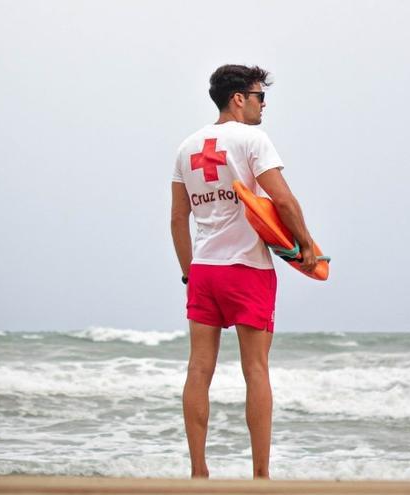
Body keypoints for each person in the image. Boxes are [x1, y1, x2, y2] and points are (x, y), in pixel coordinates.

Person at [170, 64, 316, 479]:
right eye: (259, 97)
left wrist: (188, 274)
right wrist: (305, 245)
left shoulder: (187, 147)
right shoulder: (252, 139)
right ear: (238, 98)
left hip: (204, 269)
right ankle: (261, 476)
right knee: (256, 370)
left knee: (199, 369)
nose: (263, 105)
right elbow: (282, 200)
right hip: (247, 268)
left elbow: (178, 220)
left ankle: (199, 472)